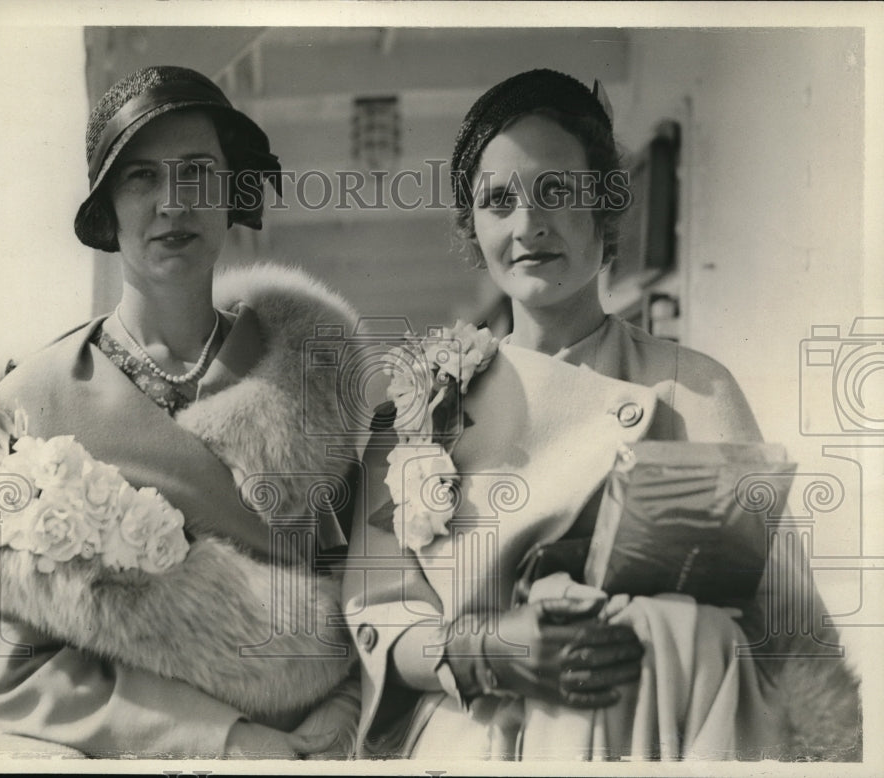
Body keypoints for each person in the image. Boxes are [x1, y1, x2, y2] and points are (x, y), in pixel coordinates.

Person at [342, 69, 861, 761]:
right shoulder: (418, 408)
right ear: (474, 226)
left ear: (605, 205)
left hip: (658, 727)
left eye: (557, 191)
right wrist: (493, 651)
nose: (529, 224)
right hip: (478, 736)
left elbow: (787, 621)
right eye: (499, 201)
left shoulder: (694, 388)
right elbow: (378, 620)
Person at [0, 66, 362, 759]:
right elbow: (14, 667)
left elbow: (375, 584)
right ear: (108, 209)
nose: (173, 201)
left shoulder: (312, 369)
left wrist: (346, 712)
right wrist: (225, 739)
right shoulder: (33, 403)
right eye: (141, 177)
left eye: (197, 172)